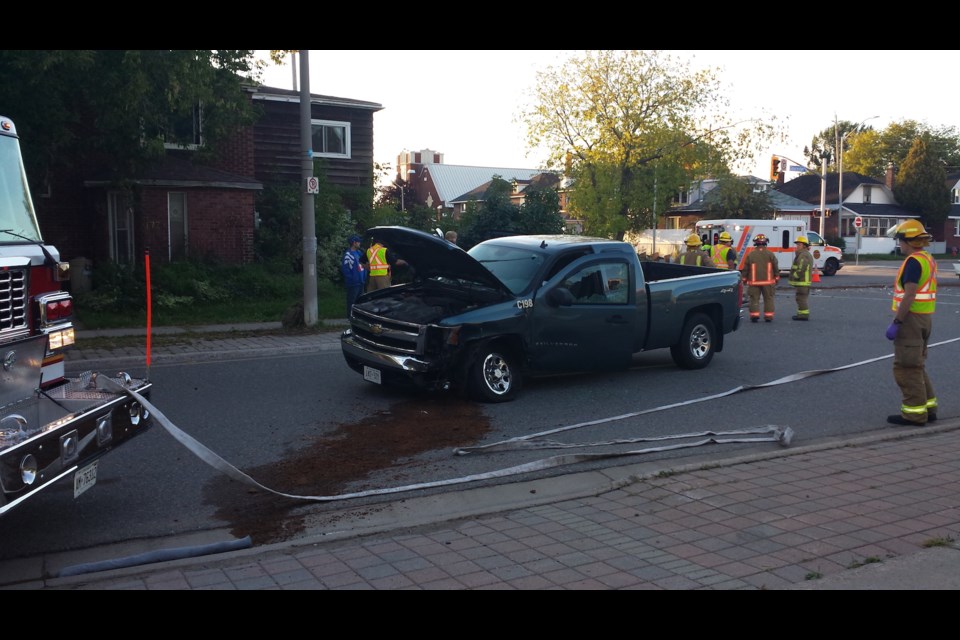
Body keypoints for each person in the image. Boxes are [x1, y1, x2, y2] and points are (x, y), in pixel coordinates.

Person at [885, 220, 938, 427]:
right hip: (924, 319)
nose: (899, 244)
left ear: (908, 241)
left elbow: (909, 294)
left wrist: (897, 321)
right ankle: (928, 408)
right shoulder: (927, 258)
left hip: (910, 321)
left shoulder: (913, 262)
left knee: (906, 367)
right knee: (917, 366)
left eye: (900, 240)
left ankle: (914, 414)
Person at [741, 233, 779, 323]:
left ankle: (754, 316)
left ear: (755, 243)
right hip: (768, 282)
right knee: (768, 299)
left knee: (754, 298)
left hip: (754, 283)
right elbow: (775, 266)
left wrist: (744, 279)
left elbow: (746, 268)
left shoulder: (751, 255)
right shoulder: (770, 254)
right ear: (766, 243)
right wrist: (776, 277)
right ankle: (768, 316)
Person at [789, 236, 814, 321]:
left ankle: (803, 315)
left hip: (802, 281)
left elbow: (802, 267)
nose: (797, 246)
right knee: (800, 298)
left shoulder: (803, 255)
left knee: (801, 298)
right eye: (797, 245)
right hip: (803, 281)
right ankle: (801, 314)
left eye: (799, 244)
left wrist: (795, 275)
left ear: (804, 246)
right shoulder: (804, 254)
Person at [341, 234, 367, 315]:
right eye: (358, 242)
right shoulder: (348, 255)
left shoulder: (359, 253)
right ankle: (350, 317)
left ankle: (357, 317)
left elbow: (364, 265)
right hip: (353, 283)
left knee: (360, 301)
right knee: (351, 301)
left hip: (361, 281)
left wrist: (364, 277)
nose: (360, 243)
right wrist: (352, 280)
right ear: (354, 243)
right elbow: (345, 269)